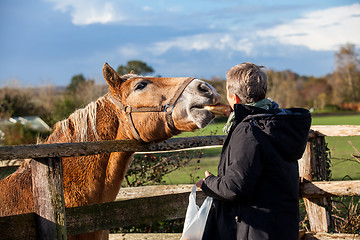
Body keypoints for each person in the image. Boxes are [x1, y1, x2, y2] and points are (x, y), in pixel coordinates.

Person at [196, 62, 311, 240]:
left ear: (234, 98)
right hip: (280, 227)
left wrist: (207, 183)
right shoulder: (275, 122)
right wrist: (239, 117)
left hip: (255, 230)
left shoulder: (250, 130)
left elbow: (235, 187)